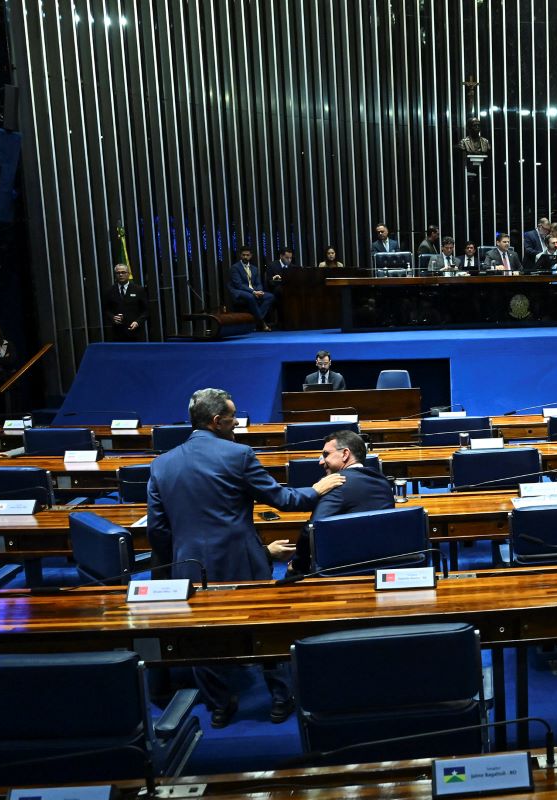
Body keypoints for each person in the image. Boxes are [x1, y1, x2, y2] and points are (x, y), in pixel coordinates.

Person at [147, 388, 344, 727]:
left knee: (200, 637)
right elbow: (281, 499)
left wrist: (177, 561)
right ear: (216, 421)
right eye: (232, 417)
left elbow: (158, 531)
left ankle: (221, 705)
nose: (237, 421)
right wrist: (316, 491)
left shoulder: (161, 465)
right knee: (264, 628)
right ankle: (281, 699)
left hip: (188, 565)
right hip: (242, 563)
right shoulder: (239, 455)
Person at [289, 429, 395, 573]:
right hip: (383, 564)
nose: (321, 462)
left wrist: (297, 566)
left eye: (326, 454)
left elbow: (312, 530)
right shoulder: (382, 480)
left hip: (343, 568)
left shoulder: (335, 483)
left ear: (345, 454)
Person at [228, 247, 274, 332]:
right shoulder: (235, 268)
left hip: (254, 291)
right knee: (250, 297)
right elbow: (239, 285)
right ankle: (262, 322)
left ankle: (255, 321)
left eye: (247, 255)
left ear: (251, 256)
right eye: (243, 255)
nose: (245, 257)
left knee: (270, 296)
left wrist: (259, 291)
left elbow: (258, 283)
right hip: (240, 291)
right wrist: (253, 292)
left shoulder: (254, 268)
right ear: (240, 255)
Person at [101, 263, 149, 341]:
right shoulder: (109, 291)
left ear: (128, 274)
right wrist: (112, 317)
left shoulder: (139, 290)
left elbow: (146, 310)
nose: (120, 275)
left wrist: (137, 322)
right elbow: (106, 309)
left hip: (136, 333)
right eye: (118, 273)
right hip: (117, 333)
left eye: (123, 272)